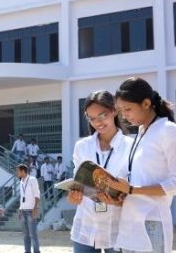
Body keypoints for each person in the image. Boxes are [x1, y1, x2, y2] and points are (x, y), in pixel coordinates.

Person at [107, 77, 176, 253]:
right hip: (130, 224)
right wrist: (121, 194)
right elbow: (138, 180)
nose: (124, 115)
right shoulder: (140, 134)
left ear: (146, 103)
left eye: (128, 109)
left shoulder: (168, 130)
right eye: (121, 111)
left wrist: (132, 190)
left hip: (152, 223)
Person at [68, 90, 132, 252]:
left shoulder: (131, 147)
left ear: (114, 110)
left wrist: (119, 199)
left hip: (118, 228)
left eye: (102, 115)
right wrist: (74, 196)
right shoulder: (82, 147)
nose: (97, 122)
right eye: (91, 118)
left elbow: (135, 189)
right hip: (86, 227)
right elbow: (79, 181)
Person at [16, 164, 41, 253]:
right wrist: (20, 210)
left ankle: (36, 251)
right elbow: (21, 197)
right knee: (25, 235)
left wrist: (35, 208)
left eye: (18, 171)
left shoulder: (32, 180)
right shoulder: (21, 182)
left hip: (31, 211)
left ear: (23, 171)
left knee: (33, 235)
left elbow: (37, 195)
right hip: (23, 211)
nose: (17, 173)